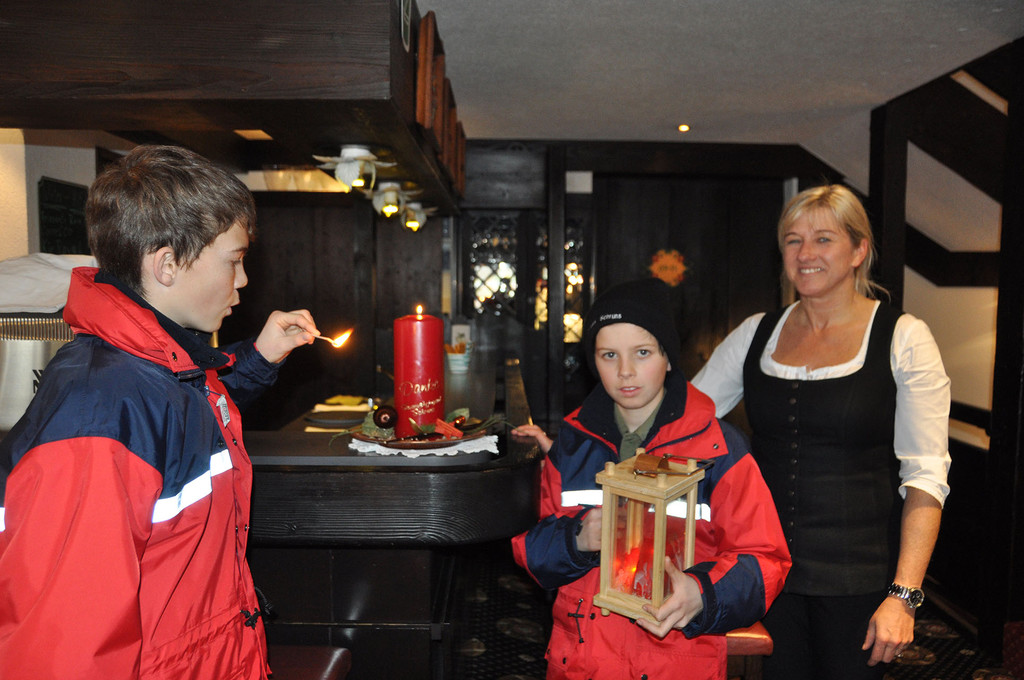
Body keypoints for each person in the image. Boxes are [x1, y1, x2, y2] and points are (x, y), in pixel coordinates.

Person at [0, 145, 320, 680]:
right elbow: (66, 648)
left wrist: (260, 356)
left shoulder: (152, 369)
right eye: (234, 260)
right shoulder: (98, 410)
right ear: (166, 264)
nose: (243, 280)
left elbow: (189, 412)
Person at [692, 184, 951, 679]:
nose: (805, 253)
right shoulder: (756, 332)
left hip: (860, 579)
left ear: (858, 251)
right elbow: (684, 421)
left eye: (823, 239)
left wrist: (904, 596)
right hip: (765, 571)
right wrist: (578, 441)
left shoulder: (904, 337)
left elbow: (926, 478)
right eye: (793, 240)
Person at [511, 277, 791, 680]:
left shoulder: (718, 449)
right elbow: (530, 550)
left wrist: (701, 594)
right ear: (593, 361)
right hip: (584, 661)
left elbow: (765, 558)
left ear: (668, 358)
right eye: (609, 355)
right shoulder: (572, 445)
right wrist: (577, 538)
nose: (625, 371)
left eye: (642, 353)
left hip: (676, 660)